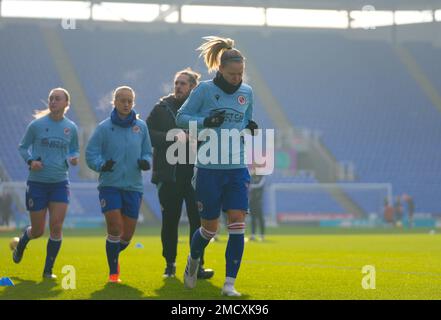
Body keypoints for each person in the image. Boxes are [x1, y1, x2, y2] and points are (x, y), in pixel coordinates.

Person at [176, 36, 258, 296]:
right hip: (209, 168)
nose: (237, 79)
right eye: (232, 74)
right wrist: (205, 121)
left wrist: (249, 126)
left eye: (241, 74)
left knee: (237, 223)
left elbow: (244, 119)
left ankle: (229, 284)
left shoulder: (247, 92)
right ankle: (193, 260)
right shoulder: (204, 90)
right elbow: (181, 118)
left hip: (236, 166)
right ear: (220, 69)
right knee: (209, 228)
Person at [146, 68, 214, 279]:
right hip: (170, 175)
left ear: (193, 88)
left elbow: (212, 136)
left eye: (183, 83)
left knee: (198, 222)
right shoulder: (161, 108)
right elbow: (147, 134)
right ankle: (170, 264)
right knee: (170, 221)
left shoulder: (202, 111)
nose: (178, 86)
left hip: (196, 175)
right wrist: (172, 136)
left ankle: (197, 265)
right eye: (176, 82)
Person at [86, 86, 152, 283]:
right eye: (122, 100)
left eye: (129, 101)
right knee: (115, 228)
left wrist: (145, 161)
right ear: (114, 102)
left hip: (133, 186)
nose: (126, 104)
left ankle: (113, 251)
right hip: (110, 185)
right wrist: (101, 165)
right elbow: (91, 154)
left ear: (133, 103)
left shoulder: (141, 127)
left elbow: (147, 151)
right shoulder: (104, 128)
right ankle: (113, 273)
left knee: (126, 235)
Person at [14, 88, 79, 279]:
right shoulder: (37, 125)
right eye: (51, 98)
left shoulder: (71, 128)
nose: (53, 101)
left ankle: (47, 271)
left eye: (57, 99)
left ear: (66, 103)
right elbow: (23, 147)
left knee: (56, 226)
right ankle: (23, 241)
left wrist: (73, 158)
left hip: (60, 182)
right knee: (38, 230)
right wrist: (30, 162)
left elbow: (74, 149)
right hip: (37, 183)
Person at [248, 165, 266, 241]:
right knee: (252, 218)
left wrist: (251, 186)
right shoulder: (251, 176)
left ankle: (262, 235)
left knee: (260, 218)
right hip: (252, 201)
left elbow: (259, 185)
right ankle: (252, 235)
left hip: (258, 201)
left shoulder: (262, 177)